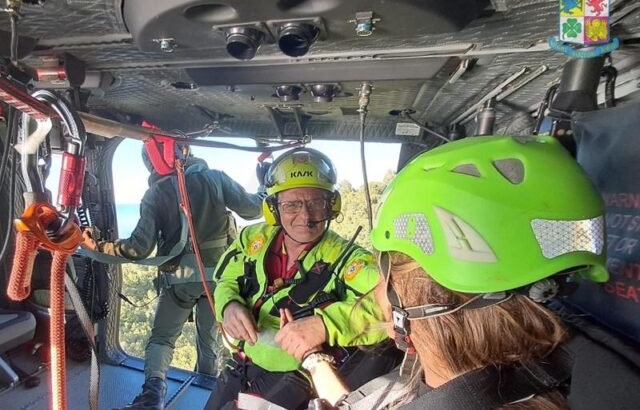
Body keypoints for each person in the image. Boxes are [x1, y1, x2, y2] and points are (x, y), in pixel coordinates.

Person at [300, 135, 609, 409]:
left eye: (384, 272)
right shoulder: (556, 375)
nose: (378, 290)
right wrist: (315, 360)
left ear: (415, 297)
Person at [82, 134, 264, 410]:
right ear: (187, 152)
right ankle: (208, 393)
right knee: (210, 340)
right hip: (219, 283)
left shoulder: (155, 194)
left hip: (179, 281)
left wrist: (98, 246)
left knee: (162, 339)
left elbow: (138, 248)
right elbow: (253, 209)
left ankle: (152, 395)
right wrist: (264, 185)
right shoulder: (215, 179)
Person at [205, 147, 396, 410]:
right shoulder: (253, 238)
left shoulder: (348, 260)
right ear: (273, 209)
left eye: (316, 203)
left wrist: (325, 325)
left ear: (332, 206)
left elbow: (392, 304)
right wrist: (229, 305)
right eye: (291, 205)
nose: (305, 216)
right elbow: (226, 279)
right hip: (241, 364)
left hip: (296, 377)